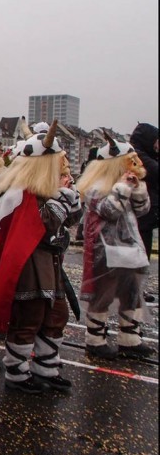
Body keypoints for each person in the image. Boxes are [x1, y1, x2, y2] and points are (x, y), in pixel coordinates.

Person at [0, 121, 83, 393]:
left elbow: (69, 220)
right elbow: (48, 223)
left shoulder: (46, 191)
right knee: (29, 317)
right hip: (30, 265)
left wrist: (69, 196)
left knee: (56, 316)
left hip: (51, 263)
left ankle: (47, 368)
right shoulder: (22, 195)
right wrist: (64, 196)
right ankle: (17, 371)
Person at [76, 131, 154, 359]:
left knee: (131, 294)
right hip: (106, 252)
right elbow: (110, 211)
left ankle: (129, 338)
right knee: (104, 296)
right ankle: (95, 339)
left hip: (129, 249)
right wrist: (122, 188)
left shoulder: (125, 184)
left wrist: (138, 189)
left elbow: (143, 211)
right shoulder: (95, 187)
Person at [129, 122, 158, 304]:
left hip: (147, 214)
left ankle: (138, 289)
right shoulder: (138, 156)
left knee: (142, 257)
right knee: (139, 256)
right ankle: (135, 290)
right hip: (140, 216)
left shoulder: (146, 155)